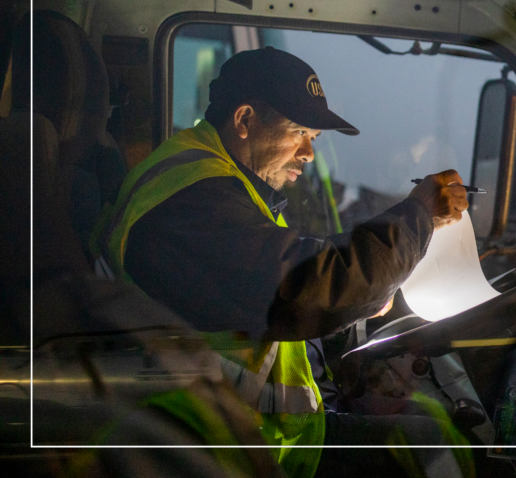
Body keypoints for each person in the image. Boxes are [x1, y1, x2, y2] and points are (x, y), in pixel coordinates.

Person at [92, 46, 470, 478]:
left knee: (426, 434)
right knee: (424, 450)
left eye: (315, 138)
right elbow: (300, 287)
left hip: (245, 432)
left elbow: (281, 279)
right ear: (245, 121)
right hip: (208, 449)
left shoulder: (221, 181)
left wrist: (364, 300)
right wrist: (417, 216)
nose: (309, 152)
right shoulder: (191, 202)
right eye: (299, 131)